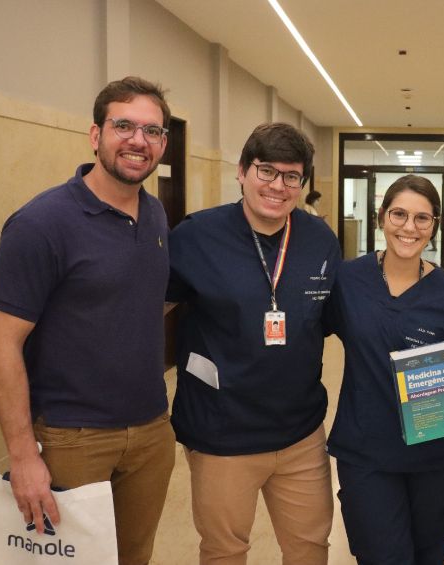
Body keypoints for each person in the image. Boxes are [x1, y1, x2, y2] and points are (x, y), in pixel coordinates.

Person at [0, 76, 175, 565]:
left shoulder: (155, 215)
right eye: (124, 126)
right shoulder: (41, 223)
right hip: (73, 439)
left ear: (163, 143)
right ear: (95, 135)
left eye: (152, 131)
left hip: (151, 432)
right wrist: (23, 455)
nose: (138, 140)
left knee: (134, 556)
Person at [166, 122, 341, 564]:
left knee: (310, 548)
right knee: (225, 551)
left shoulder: (320, 240)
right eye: (266, 170)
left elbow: (334, 319)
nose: (278, 186)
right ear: (242, 171)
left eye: (291, 176)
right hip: (221, 433)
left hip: (300, 433)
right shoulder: (196, 236)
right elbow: (148, 311)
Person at [326, 175, 444, 565]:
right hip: (367, 451)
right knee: (382, 555)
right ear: (381, 217)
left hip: (436, 454)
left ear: (434, 226)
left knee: (430, 553)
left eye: (422, 218)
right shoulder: (349, 280)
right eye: (399, 214)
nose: (409, 227)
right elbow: (307, 330)